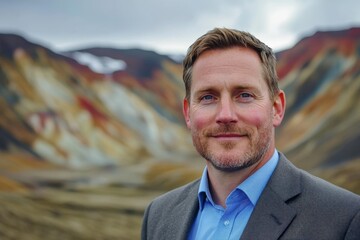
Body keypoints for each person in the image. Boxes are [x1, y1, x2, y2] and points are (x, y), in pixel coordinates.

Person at [141, 28, 360, 240]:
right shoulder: (158, 216)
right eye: (208, 97)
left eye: (244, 95)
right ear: (188, 112)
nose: (225, 115)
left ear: (277, 108)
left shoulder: (345, 219)